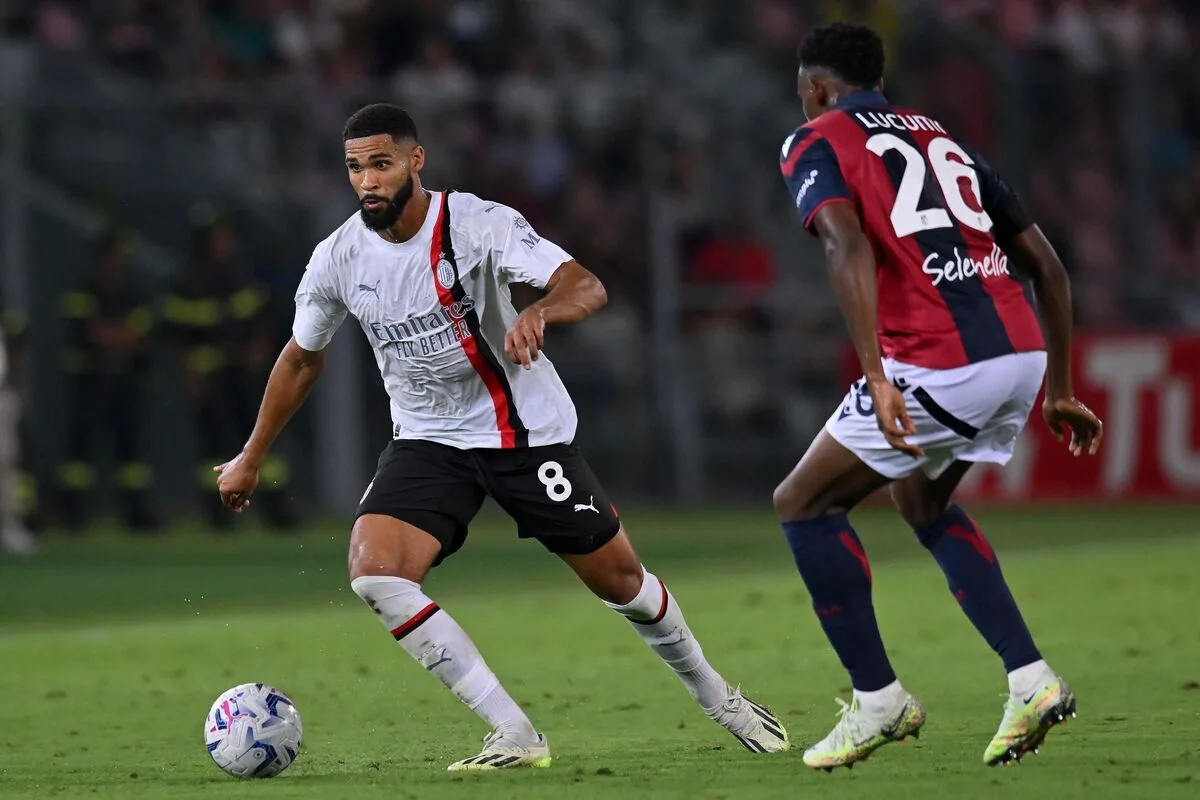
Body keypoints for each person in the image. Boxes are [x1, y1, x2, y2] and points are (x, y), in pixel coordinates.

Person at [214, 103, 789, 770]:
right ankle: (514, 731)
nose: (367, 181)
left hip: (522, 433)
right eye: (354, 168)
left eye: (380, 163)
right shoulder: (338, 257)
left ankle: (720, 697)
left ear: (414, 160)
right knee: (375, 572)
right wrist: (252, 456)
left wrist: (541, 311)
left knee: (622, 583)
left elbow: (586, 284)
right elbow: (301, 357)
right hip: (429, 439)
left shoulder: (478, 224)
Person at [775, 23, 1103, 770]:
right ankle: (1030, 679)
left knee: (802, 504)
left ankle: (878, 702)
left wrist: (879, 376)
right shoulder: (940, 137)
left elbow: (843, 245)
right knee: (920, 502)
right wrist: (1058, 385)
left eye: (804, 96)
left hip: (940, 361)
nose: (804, 109)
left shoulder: (815, 139)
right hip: (1019, 352)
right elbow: (1048, 265)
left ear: (818, 89)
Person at [57, 231, 158, 532]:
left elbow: (141, 337)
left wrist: (111, 335)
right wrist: (121, 336)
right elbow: (88, 332)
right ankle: (72, 514)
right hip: (91, 381)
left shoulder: (133, 293)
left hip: (125, 380)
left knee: (130, 452)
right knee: (79, 452)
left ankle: (136, 514)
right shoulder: (85, 291)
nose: (117, 261)